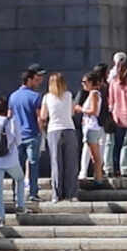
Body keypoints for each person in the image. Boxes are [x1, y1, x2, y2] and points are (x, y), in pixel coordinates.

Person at [0, 99, 26, 227]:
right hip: (11, 159)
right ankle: (20, 204)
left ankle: (1, 218)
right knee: (20, 178)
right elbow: (18, 140)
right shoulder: (12, 121)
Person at [40, 72, 79, 202]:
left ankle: (56, 194)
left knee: (56, 163)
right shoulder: (68, 95)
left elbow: (43, 116)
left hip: (54, 129)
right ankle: (71, 194)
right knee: (71, 164)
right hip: (69, 128)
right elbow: (72, 113)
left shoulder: (47, 97)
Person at [9, 67, 45, 199]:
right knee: (33, 164)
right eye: (35, 80)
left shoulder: (13, 96)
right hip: (32, 134)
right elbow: (39, 117)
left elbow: (10, 116)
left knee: (17, 165)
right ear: (29, 80)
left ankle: (16, 193)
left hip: (18, 136)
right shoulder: (35, 96)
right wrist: (41, 132)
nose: (37, 83)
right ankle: (33, 193)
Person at [75, 73, 108, 183]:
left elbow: (94, 111)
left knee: (95, 155)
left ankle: (98, 178)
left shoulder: (94, 94)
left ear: (91, 83)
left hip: (92, 127)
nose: (83, 84)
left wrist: (80, 109)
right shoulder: (93, 94)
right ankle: (97, 177)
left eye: (85, 82)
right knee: (95, 155)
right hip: (92, 127)